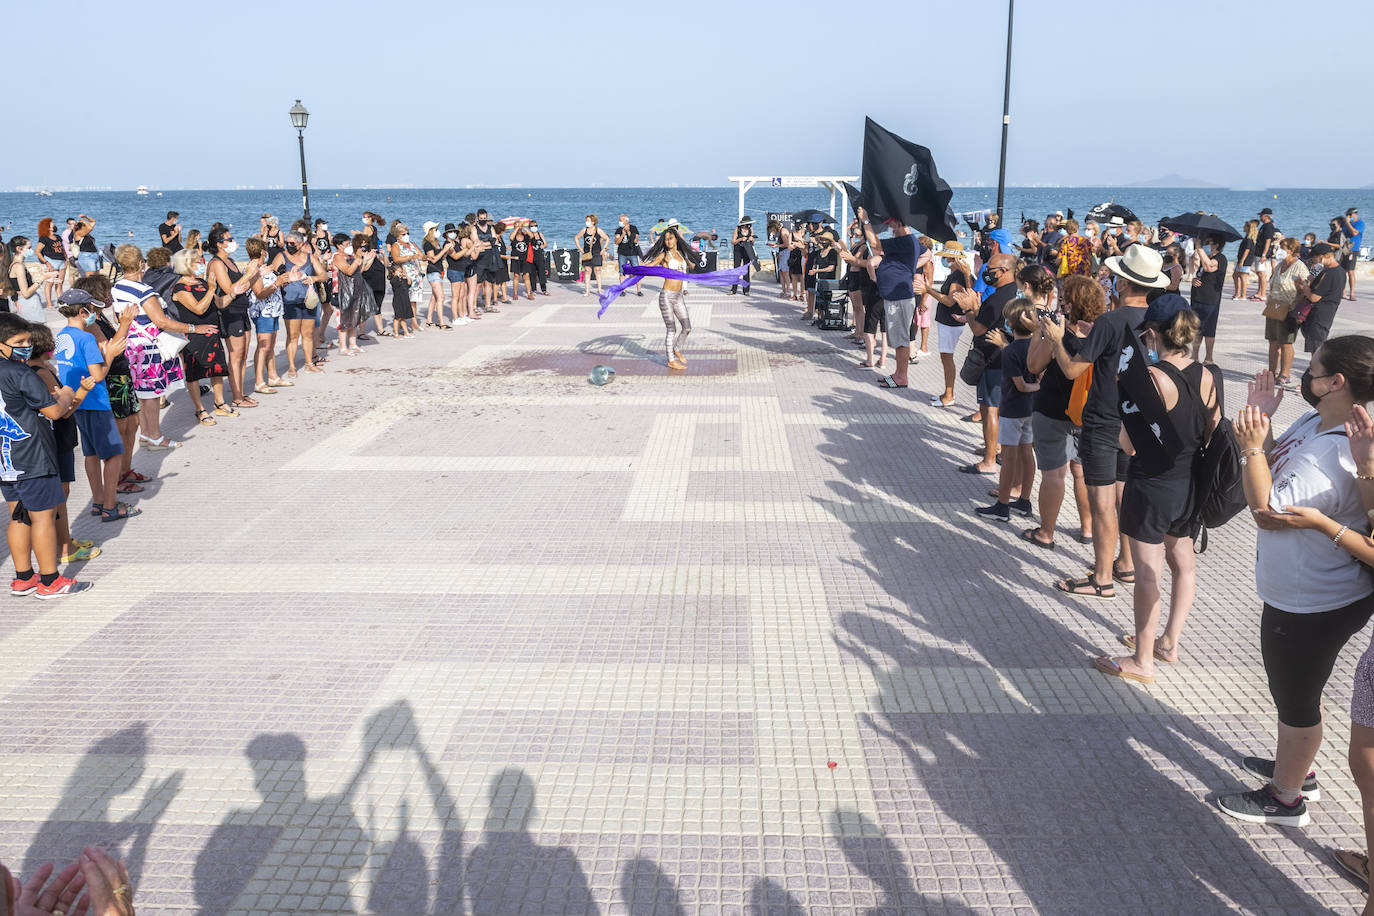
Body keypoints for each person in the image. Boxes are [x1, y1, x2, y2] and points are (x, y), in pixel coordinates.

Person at [1217, 341, 1374, 827]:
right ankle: (1297, 768)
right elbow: (1275, 472)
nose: (1304, 376)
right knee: (1298, 689)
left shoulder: (1336, 451)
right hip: (1308, 589)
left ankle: (1286, 798)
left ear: (1336, 383)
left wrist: (1249, 447)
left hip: (1312, 599)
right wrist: (1262, 423)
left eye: (1314, 370)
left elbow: (1266, 511)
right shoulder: (1323, 424)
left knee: (1295, 696)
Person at [1094, 294, 1218, 685]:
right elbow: (1210, 430)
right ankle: (1169, 642)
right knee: (1183, 563)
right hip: (1187, 485)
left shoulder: (1151, 378)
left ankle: (1142, 660)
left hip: (1151, 485)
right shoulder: (1208, 373)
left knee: (1147, 572)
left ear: (1152, 334)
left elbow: (1127, 445)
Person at [1042, 244, 1170, 598]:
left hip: (1103, 420)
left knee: (1101, 502)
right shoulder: (1156, 323)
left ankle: (1101, 578)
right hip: (1140, 420)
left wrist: (1056, 341)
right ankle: (1126, 564)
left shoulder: (1110, 322)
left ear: (1124, 284)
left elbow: (1071, 370)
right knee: (1123, 495)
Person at [0, 312, 91, 598]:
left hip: (7, 460)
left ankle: (23, 577)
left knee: (18, 516)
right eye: (18, 341)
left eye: (28, 340)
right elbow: (54, 411)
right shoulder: (20, 372)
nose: (26, 346)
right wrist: (65, 393)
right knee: (42, 517)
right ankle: (50, 581)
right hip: (33, 455)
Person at [1022, 275, 1103, 549]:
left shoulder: (1060, 332)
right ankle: (1088, 528)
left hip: (1052, 411)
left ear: (1070, 304)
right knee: (1081, 472)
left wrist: (1038, 332)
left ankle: (1046, 532)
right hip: (1087, 413)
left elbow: (1033, 366)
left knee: (1054, 475)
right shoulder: (1101, 334)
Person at [54, 288, 135, 532]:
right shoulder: (86, 337)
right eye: (92, 309)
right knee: (113, 454)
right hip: (96, 401)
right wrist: (109, 354)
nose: (95, 314)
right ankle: (110, 506)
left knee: (90, 453)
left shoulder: (62, 335)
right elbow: (98, 374)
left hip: (76, 401)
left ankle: (99, 501)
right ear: (82, 312)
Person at [111, 246, 195, 451]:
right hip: (148, 346)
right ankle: (155, 436)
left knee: (142, 392)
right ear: (141, 264)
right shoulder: (144, 291)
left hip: (131, 343)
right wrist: (193, 328)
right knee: (152, 393)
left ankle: (146, 433)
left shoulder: (117, 287)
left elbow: (118, 318)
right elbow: (162, 321)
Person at [72, 274, 143, 493]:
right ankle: (117, 479)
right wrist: (126, 323)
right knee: (120, 429)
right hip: (111, 377)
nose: (110, 295)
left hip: (122, 375)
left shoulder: (100, 316)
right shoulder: (91, 322)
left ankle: (125, 469)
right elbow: (112, 348)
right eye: (106, 291)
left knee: (133, 424)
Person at [973, 298, 1039, 522]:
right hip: (1032, 409)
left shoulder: (1010, 352)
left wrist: (1033, 386)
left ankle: (1002, 505)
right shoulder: (1037, 346)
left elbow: (1020, 385)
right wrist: (1039, 387)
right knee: (1027, 453)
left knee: (1009, 458)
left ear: (1010, 323)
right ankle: (1024, 501)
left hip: (1012, 409)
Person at [955, 253, 1016, 471]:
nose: (986, 273)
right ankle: (995, 448)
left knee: (990, 409)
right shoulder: (1012, 292)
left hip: (993, 359)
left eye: (991, 269)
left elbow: (978, 327)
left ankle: (989, 460)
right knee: (993, 408)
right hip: (1005, 357)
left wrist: (969, 309)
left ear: (1005, 271)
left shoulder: (999, 297)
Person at [858, 208, 925, 392]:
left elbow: (874, 244)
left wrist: (865, 221)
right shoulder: (907, 241)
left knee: (901, 339)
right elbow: (926, 253)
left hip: (900, 298)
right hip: (896, 296)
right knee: (898, 338)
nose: (891, 230)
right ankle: (898, 373)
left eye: (892, 226)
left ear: (900, 224)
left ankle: (902, 376)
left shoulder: (905, 240)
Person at [169, 249, 233, 425]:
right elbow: (199, 309)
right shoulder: (180, 287)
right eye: (198, 261)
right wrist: (212, 288)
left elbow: (218, 303)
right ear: (187, 264)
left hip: (212, 333)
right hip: (193, 335)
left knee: (217, 369)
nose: (202, 264)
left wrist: (234, 292)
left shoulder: (202, 282)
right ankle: (200, 409)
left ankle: (219, 402)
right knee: (194, 373)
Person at [205, 228, 257, 411]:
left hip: (242, 310)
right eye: (229, 239)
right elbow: (229, 289)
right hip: (228, 312)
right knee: (235, 355)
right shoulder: (217, 263)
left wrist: (258, 273)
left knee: (243, 355)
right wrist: (248, 274)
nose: (233, 242)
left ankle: (240, 393)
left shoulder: (231, 261)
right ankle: (236, 397)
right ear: (219, 243)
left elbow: (243, 286)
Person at [641, 227, 694, 370]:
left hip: (678, 296)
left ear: (676, 239)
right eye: (666, 239)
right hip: (666, 296)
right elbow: (651, 265)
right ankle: (670, 359)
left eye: (670, 238)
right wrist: (637, 271)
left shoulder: (681, 255)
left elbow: (688, 268)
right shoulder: (664, 255)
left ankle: (677, 349)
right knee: (671, 329)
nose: (668, 241)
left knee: (687, 328)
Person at [928, 243, 973, 407]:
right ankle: (947, 392)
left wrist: (928, 290)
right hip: (949, 321)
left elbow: (948, 301)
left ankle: (949, 394)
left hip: (951, 322)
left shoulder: (958, 276)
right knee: (945, 356)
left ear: (951, 257)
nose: (943, 259)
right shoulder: (955, 273)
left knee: (947, 357)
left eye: (945, 256)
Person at [244, 237, 291, 394]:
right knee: (263, 346)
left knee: (270, 345)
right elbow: (259, 293)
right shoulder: (254, 268)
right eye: (266, 249)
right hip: (263, 311)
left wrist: (284, 280)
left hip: (273, 310)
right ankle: (259, 381)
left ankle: (273, 376)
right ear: (262, 251)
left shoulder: (263, 266)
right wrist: (276, 283)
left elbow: (271, 286)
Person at [276, 230, 324, 377]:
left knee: (308, 334)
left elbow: (323, 274)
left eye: (292, 243)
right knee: (293, 335)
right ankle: (291, 366)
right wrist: (285, 278)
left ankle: (309, 363)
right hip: (290, 301)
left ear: (301, 243)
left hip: (308, 300)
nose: (288, 246)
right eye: (287, 243)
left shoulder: (309, 257)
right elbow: (274, 276)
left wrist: (313, 279)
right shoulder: (281, 256)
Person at [1265, 237, 1311, 386]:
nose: (1279, 250)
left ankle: (1285, 373)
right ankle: (1272, 372)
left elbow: (1305, 290)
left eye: (1282, 248)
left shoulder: (1299, 267)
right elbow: (1273, 283)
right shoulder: (1279, 266)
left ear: (1292, 250)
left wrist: (1297, 301)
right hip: (1274, 307)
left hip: (1289, 309)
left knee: (1286, 343)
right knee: (1272, 341)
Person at [1301, 242, 1349, 358]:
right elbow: (1313, 281)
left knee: (1316, 349)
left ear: (1322, 256)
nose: (1313, 261)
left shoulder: (1330, 273)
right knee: (1317, 346)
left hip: (1319, 315)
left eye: (1314, 258)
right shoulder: (1339, 271)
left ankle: (1316, 373)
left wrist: (1304, 286)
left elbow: (1314, 297)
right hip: (1326, 313)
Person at [334, 233, 378, 356]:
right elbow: (348, 271)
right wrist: (358, 259)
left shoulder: (351, 256)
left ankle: (353, 344)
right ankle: (343, 347)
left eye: (349, 244)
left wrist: (365, 260)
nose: (349, 246)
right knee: (343, 319)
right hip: (341, 291)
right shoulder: (337, 257)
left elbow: (360, 271)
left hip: (354, 289)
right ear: (339, 245)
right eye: (346, 244)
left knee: (354, 317)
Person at [1189, 235, 1227, 364]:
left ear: (1215, 245)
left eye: (1208, 242)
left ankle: (1209, 357)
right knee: (1196, 329)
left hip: (1210, 300)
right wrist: (1194, 280)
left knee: (1209, 330)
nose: (1206, 244)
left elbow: (1209, 267)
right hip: (1197, 297)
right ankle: (1194, 356)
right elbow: (1201, 273)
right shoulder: (1207, 257)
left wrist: (1199, 247)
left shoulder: (1220, 258)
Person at [7, 237, 54, 323]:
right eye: (29, 248)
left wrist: (45, 277)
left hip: (25, 304)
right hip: (28, 305)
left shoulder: (16, 264)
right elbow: (26, 293)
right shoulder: (18, 266)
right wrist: (42, 278)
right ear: (19, 249)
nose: (31, 250)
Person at [421, 221, 451, 328]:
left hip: (439, 270)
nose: (437, 231)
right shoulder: (427, 244)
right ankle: (442, 322)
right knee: (441, 297)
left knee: (434, 297)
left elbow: (441, 257)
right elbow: (433, 260)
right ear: (430, 231)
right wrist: (444, 250)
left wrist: (447, 250)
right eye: (435, 229)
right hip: (433, 271)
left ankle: (429, 320)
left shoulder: (436, 242)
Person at [473, 209, 504, 309]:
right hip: (479, 259)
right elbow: (476, 243)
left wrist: (484, 244)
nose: (483, 220)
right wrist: (489, 243)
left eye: (484, 218)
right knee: (478, 284)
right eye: (481, 218)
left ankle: (487, 305)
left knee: (489, 283)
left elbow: (495, 242)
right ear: (477, 218)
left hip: (491, 258)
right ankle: (474, 306)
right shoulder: (474, 229)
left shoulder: (491, 228)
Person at [574, 214, 610, 298]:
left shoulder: (598, 230)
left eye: (588, 220)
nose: (586, 222)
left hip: (597, 252)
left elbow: (607, 238)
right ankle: (587, 291)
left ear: (593, 222)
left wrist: (604, 249)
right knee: (587, 271)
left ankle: (599, 289)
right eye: (586, 220)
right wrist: (580, 248)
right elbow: (576, 238)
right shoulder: (584, 230)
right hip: (587, 252)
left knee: (597, 270)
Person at [35, 218, 66, 310]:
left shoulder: (58, 237)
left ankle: (60, 302)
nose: (52, 224)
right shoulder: (43, 238)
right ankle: (49, 304)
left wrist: (66, 260)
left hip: (62, 262)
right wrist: (46, 262)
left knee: (60, 283)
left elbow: (62, 249)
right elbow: (37, 251)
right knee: (50, 283)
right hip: (51, 261)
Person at [615, 214, 645, 296]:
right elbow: (616, 242)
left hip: (632, 253)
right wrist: (622, 234)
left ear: (626, 221)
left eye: (621, 220)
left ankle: (639, 291)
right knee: (622, 273)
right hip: (622, 253)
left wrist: (628, 232)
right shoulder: (618, 230)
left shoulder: (633, 228)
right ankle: (623, 290)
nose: (620, 222)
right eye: (619, 220)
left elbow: (635, 240)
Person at [1340, 207, 1365, 301]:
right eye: (1347, 215)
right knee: (1342, 271)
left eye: (1350, 215)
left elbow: (1354, 233)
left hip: (1353, 249)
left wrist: (1348, 223)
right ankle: (1343, 292)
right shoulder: (1345, 224)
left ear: (1355, 214)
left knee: (1350, 271)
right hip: (1344, 249)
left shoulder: (1360, 223)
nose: (1348, 217)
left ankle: (1352, 293)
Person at [1253, 208, 1278, 301]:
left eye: (1261, 215)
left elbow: (1268, 241)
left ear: (1266, 216)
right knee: (1259, 273)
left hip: (1261, 253)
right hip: (1258, 251)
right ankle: (1259, 291)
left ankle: (1263, 293)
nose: (1260, 217)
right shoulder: (1264, 226)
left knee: (1261, 273)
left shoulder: (1268, 226)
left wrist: (1264, 254)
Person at [729, 217, 756, 296]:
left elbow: (753, 238)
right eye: (746, 223)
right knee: (736, 269)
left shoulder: (750, 228)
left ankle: (746, 290)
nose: (747, 225)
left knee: (746, 270)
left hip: (747, 250)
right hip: (738, 250)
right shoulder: (738, 229)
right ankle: (734, 289)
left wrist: (751, 238)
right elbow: (733, 241)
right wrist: (740, 239)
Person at [509, 225, 536, 301]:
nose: (519, 228)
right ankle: (515, 293)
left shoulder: (526, 236)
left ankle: (528, 293)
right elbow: (511, 238)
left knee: (526, 276)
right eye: (517, 226)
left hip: (525, 259)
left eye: (520, 226)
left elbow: (532, 235)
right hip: (516, 259)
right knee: (516, 276)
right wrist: (517, 228)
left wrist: (524, 228)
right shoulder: (513, 235)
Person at [1233, 220, 1258, 302]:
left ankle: (1243, 295)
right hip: (1243, 259)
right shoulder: (1247, 238)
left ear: (1248, 228)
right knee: (1236, 275)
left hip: (1246, 260)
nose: (1243, 227)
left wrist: (1242, 261)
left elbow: (1247, 250)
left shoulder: (1249, 239)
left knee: (1243, 276)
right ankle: (1237, 293)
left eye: (1245, 226)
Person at [528, 220, 550, 297]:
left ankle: (544, 290)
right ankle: (533, 289)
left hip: (540, 256)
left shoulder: (540, 234)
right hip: (532, 256)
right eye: (532, 226)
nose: (534, 227)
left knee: (542, 273)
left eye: (535, 226)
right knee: (532, 274)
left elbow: (546, 244)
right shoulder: (529, 235)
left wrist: (543, 246)